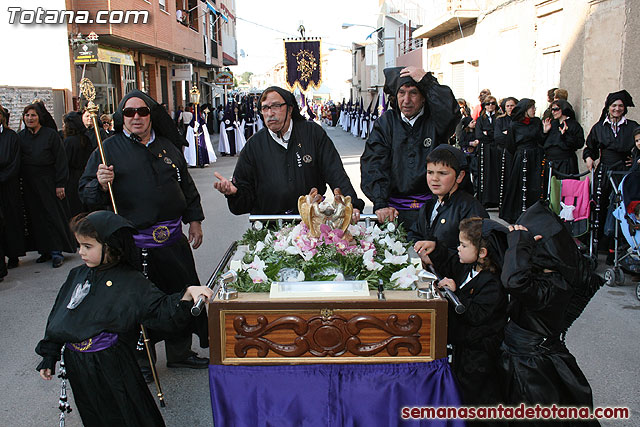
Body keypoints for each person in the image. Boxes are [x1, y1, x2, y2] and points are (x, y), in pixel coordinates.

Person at [36, 210, 213, 427]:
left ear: (110, 246)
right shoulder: (77, 275)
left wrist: (187, 294)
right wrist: (49, 353)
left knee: (127, 413)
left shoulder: (129, 281)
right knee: (93, 412)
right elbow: (61, 315)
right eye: (79, 245)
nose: (80, 252)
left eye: (88, 246)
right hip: (79, 364)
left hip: (112, 362)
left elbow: (160, 310)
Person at [78, 89, 209, 376]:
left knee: (180, 294)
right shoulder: (107, 149)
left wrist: (195, 220)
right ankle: (142, 361)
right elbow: (85, 194)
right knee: (140, 302)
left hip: (173, 240)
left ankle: (180, 351)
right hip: (134, 245)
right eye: (129, 112)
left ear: (151, 114)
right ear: (121, 117)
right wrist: (99, 184)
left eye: (142, 111)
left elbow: (185, 186)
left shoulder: (167, 146)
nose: (136, 117)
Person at [500, 202, 600, 417]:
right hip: (520, 359)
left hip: (531, 368)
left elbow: (513, 281)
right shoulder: (541, 274)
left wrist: (519, 246)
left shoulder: (555, 284)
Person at [214, 86, 365, 217]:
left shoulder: (312, 133)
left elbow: (335, 171)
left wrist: (350, 203)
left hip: (310, 222)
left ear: (290, 109)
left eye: (275, 106)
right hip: (269, 226)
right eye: (265, 107)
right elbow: (244, 196)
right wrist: (234, 193)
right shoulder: (253, 146)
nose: (270, 113)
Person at [415, 217, 508, 406]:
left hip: (480, 356)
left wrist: (456, 293)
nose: (458, 248)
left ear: (482, 252)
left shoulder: (492, 283)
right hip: (464, 350)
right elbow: (449, 260)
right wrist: (435, 248)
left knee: (477, 398)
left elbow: (476, 314)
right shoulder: (469, 267)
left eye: (463, 245)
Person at [360, 66, 460, 231]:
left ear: (423, 97)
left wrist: (427, 81)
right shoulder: (386, 122)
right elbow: (374, 162)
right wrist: (380, 203)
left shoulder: (435, 121)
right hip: (393, 212)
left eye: (413, 93)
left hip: (433, 210)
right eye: (402, 93)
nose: (406, 100)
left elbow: (451, 113)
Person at [19, 102, 75, 268]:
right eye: (27, 115)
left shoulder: (50, 135)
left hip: (49, 182)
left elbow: (61, 160)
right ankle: (44, 250)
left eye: (33, 115)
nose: (30, 118)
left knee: (52, 216)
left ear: (40, 117)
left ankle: (56, 251)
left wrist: (60, 184)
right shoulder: (21, 137)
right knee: (36, 217)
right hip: (30, 184)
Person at [583, 90, 638, 255]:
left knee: (620, 206)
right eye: (614, 105)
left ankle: (616, 246)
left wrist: (634, 160)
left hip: (623, 171)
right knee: (598, 205)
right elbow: (590, 148)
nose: (617, 108)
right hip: (604, 170)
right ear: (608, 107)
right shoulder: (599, 127)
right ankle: (597, 243)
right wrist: (588, 158)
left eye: (621, 106)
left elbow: (639, 146)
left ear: (625, 108)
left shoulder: (633, 126)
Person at [410, 144, 487, 253]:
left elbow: (473, 253)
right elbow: (414, 233)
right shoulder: (429, 205)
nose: (434, 179)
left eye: (442, 173)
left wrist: (437, 253)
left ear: (459, 176)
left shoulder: (469, 208)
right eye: (430, 172)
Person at [499, 98, 546, 224]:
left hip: (535, 157)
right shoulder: (514, 125)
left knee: (534, 185)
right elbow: (510, 144)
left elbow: (540, 139)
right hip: (522, 157)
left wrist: (545, 131)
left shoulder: (536, 122)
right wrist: (521, 153)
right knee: (519, 185)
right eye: (532, 108)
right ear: (526, 109)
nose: (534, 110)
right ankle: (517, 213)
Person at [0, 104, 25, 274]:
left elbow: (15, 162)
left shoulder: (11, 137)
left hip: (8, 185)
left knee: (10, 220)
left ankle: (13, 254)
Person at [542, 99, 584, 176]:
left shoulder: (573, 125)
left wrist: (565, 135)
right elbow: (542, 143)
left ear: (563, 109)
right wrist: (545, 132)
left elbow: (579, 144)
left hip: (566, 163)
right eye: (552, 110)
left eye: (556, 109)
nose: (553, 112)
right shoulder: (551, 124)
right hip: (550, 162)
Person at [62, 112, 93, 217]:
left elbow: (64, 162)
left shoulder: (69, 142)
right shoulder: (86, 139)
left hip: (72, 179)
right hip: (84, 176)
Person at [475, 95, 500, 207]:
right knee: (485, 173)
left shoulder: (499, 118)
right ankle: (485, 199)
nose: (490, 106)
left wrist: (488, 133)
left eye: (492, 103)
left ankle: (495, 199)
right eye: (488, 104)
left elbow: (497, 135)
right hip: (484, 149)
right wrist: (490, 134)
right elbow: (479, 135)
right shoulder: (481, 119)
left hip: (496, 149)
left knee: (496, 173)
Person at [494, 97, 518, 209]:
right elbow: (498, 137)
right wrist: (510, 137)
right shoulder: (500, 120)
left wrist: (508, 134)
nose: (510, 108)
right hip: (504, 153)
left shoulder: (518, 121)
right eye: (507, 106)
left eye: (512, 105)